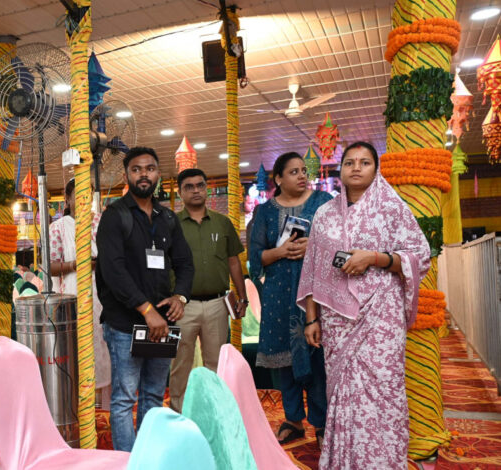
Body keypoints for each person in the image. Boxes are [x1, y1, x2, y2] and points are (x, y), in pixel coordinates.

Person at [297, 142, 430, 469]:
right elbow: (314, 268)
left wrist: (374, 258)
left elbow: (420, 255)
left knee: (383, 391)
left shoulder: (392, 209)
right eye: (349, 162)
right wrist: (311, 319)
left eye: (365, 162)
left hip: (381, 320)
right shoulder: (325, 214)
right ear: (340, 170)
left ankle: (382, 461)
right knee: (345, 394)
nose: (356, 168)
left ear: (376, 169)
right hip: (338, 321)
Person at [96, 146, 194, 452]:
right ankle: (128, 460)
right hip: (126, 324)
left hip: (161, 324)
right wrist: (146, 309)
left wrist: (181, 296)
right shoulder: (115, 217)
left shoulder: (167, 218)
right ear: (127, 174)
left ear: (158, 175)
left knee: (153, 395)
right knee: (125, 398)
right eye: (136, 169)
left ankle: (149, 456)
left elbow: (186, 264)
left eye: (150, 168)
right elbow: (113, 271)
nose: (143, 174)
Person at [248, 152, 332, 446]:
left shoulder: (323, 204)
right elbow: (254, 258)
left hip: (317, 292)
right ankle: (293, 419)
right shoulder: (266, 213)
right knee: (284, 357)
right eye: (293, 172)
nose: (301, 175)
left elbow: (338, 242)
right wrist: (281, 252)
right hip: (278, 293)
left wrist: (315, 245)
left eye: (302, 170)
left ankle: (321, 422)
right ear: (278, 179)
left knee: (318, 356)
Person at [168, 168, 248, 413]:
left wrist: (242, 296)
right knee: (180, 364)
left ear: (206, 189)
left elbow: (233, 260)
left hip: (217, 305)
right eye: (189, 187)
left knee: (216, 363)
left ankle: (216, 414)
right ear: (180, 192)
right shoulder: (170, 225)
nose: (195, 190)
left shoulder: (223, 223)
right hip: (182, 306)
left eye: (200, 185)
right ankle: (178, 415)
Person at [49, 178, 111, 407]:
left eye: (88, 194)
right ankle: (75, 408)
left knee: (102, 349)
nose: (84, 199)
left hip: (101, 296)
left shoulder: (101, 222)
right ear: (67, 199)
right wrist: (77, 264)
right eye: (79, 194)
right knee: (75, 352)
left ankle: (103, 411)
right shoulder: (57, 228)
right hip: (71, 297)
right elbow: (50, 266)